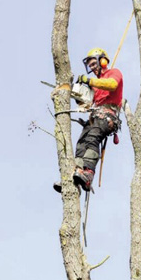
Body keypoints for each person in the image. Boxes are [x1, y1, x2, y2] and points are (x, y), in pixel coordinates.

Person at [54, 47, 123, 193]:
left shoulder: (113, 73)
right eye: (90, 65)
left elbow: (112, 85)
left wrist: (90, 81)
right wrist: (80, 96)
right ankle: (75, 176)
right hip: (95, 117)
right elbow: (88, 103)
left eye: (93, 64)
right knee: (81, 143)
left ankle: (88, 173)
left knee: (92, 138)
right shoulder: (95, 88)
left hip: (107, 117)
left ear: (103, 61)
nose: (92, 68)